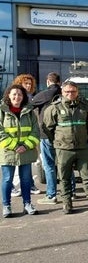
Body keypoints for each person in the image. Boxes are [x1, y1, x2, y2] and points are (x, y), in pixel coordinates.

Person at [42, 81, 88, 214]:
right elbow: (47, 129)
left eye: (73, 91)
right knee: (64, 178)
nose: (70, 94)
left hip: (82, 149)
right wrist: (58, 141)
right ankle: (67, 204)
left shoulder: (84, 107)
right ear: (62, 92)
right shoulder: (54, 108)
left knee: (87, 177)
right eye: (67, 92)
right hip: (63, 149)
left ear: (77, 92)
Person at [1, 84, 40, 217]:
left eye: (20, 94)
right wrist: (14, 146)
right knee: (7, 179)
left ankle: (27, 204)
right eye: (14, 94)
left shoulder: (29, 111)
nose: (17, 96)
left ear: (23, 97)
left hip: (26, 151)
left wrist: (25, 146)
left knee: (25, 180)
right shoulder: (2, 111)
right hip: (8, 152)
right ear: (8, 96)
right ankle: (6, 206)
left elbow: (35, 132)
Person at [31, 72, 61, 205]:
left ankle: (51, 195)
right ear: (59, 82)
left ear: (48, 82)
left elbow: (29, 105)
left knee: (49, 165)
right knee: (66, 164)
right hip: (64, 134)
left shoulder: (43, 94)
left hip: (46, 134)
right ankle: (71, 192)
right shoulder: (66, 92)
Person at [12, 73, 41, 196]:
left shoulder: (29, 98)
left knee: (27, 163)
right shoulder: (13, 96)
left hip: (27, 136)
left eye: (30, 83)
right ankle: (12, 187)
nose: (28, 86)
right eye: (26, 83)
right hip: (13, 136)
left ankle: (30, 185)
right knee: (12, 164)